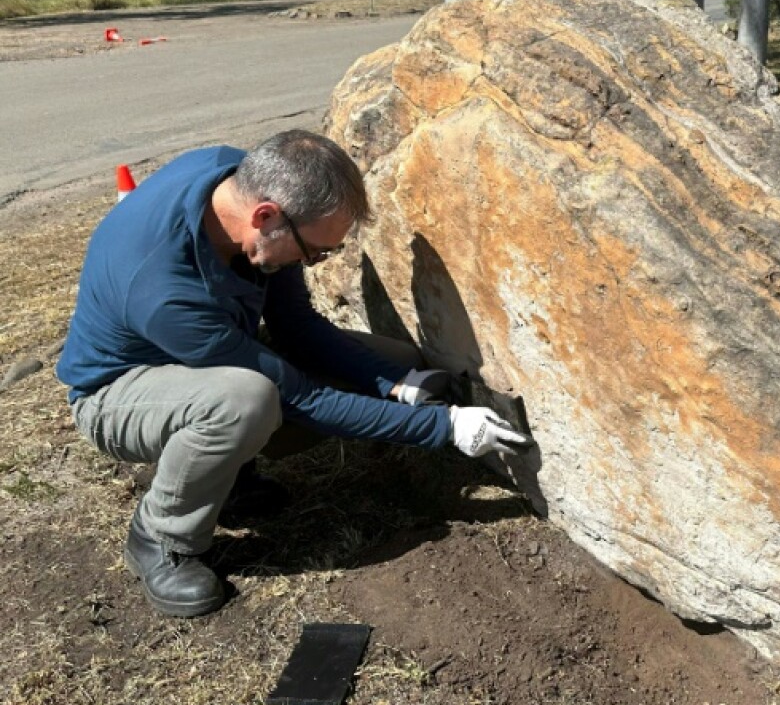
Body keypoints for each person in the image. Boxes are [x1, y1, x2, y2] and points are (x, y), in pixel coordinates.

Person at [56, 130, 529, 618]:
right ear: (266, 217)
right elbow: (299, 397)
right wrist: (444, 428)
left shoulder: (240, 182)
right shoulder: (162, 286)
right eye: (314, 252)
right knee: (246, 402)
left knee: (392, 356)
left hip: (205, 358)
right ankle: (161, 537)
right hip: (117, 394)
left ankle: (225, 474)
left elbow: (297, 328)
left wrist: (397, 383)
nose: (312, 263)